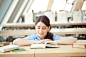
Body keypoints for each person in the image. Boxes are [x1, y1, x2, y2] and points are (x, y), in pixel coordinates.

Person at [13, 15, 77, 46]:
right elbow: (15, 42)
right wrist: (36, 42)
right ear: (35, 27)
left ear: (48, 28)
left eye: (44, 28)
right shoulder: (34, 37)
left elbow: (74, 40)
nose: (41, 31)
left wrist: (53, 42)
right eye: (38, 28)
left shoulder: (52, 37)